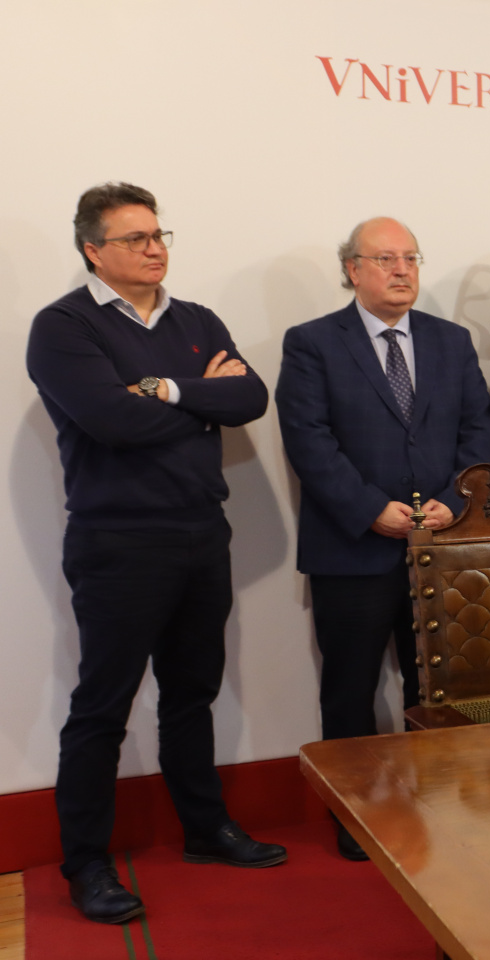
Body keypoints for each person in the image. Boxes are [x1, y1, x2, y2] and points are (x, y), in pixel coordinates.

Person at [26, 182, 283, 924]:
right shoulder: (64, 326)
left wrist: (164, 389)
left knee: (192, 693)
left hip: (203, 532)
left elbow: (251, 400)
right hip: (119, 542)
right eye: (135, 237)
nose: (154, 247)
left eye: (158, 233)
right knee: (102, 707)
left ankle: (205, 829)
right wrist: (201, 400)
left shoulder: (195, 319)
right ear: (92, 249)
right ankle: (87, 864)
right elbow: (112, 422)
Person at [275, 217, 490, 861]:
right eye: (385, 259)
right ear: (352, 269)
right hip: (352, 546)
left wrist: (456, 503)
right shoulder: (312, 343)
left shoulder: (451, 342)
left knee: (436, 690)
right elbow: (309, 442)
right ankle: (358, 814)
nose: (402, 271)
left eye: (411, 259)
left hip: (441, 548)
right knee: (350, 688)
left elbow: (478, 434)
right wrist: (372, 509)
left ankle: (436, 801)